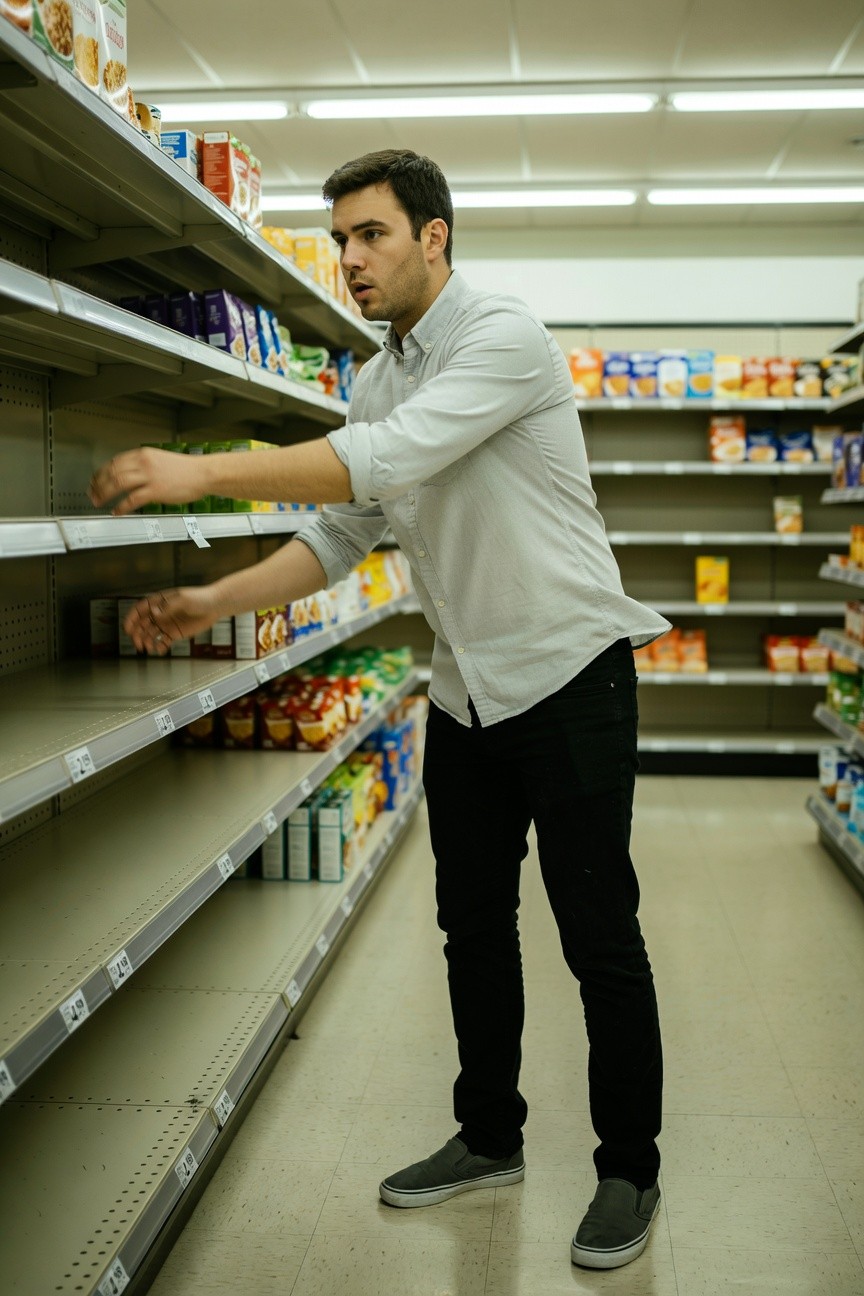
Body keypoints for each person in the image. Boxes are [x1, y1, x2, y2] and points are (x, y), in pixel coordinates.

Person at [89, 148, 669, 1272]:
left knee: (600, 936)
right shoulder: (376, 377)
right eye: (341, 240)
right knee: (473, 930)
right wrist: (212, 597)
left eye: (371, 235)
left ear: (434, 236)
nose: (349, 259)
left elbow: (383, 461)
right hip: (465, 693)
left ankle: (629, 1166)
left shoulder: (504, 335)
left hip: (570, 677)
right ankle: (490, 1134)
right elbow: (336, 541)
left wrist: (206, 474)